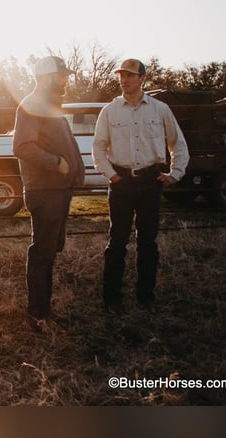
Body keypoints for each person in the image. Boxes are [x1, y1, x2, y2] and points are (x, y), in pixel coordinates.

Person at [92, 58, 189, 314]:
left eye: (130, 75)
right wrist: (111, 175)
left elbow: (177, 143)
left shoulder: (159, 109)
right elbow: (99, 147)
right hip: (121, 182)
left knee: (148, 241)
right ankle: (112, 298)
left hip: (150, 182)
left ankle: (146, 296)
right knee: (117, 241)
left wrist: (174, 173)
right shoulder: (110, 111)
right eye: (121, 75)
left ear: (142, 79)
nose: (124, 79)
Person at [13, 55, 85, 331]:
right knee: (42, 251)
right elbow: (22, 146)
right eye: (62, 75)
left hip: (57, 188)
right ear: (46, 78)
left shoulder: (48, 106)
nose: (66, 79)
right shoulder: (32, 105)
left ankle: (43, 310)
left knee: (49, 250)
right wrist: (56, 163)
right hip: (46, 189)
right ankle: (37, 314)